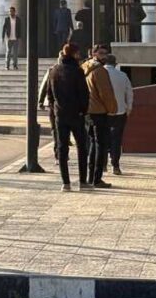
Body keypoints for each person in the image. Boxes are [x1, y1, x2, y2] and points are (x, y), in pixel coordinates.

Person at [45, 44, 91, 191]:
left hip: (60, 115)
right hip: (76, 114)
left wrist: (56, 109)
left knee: (62, 147)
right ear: (74, 54)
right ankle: (83, 181)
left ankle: (66, 183)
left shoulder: (54, 71)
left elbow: (49, 94)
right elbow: (84, 94)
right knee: (81, 147)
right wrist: (83, 111)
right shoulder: (77, 71)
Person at [83, 44, 117, 189]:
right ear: (94, 54)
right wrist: (112, 109)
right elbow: (106, 93)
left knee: (92, 144)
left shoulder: (84, 68)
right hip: (99, 112)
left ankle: (90, 177)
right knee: (100, 145)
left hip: (88, 111)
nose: (105, 56)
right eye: (102, 53)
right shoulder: (100, 71)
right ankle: (96, 178)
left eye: (106, 53)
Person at [104, 55, 134, 176]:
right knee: (116, 139)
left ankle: (102, 164)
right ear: (116, 64)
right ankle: (115, 165)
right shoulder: (122, 75)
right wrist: (129, 107)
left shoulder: (98, 74)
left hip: (103, 112)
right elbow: (129, 92)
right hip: (120, 111)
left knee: (102, 139)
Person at [1, 6, 23, 70]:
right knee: (8, 52)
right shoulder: (7, 19)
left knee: (15, 53)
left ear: (14, 12)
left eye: (12, 11)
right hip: (9, 38)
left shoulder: (18, 19)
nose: (10, 12)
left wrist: (19, 37)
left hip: (16, 38)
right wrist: (2, 37)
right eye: (9, 11)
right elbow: (4, 28)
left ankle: (15, 65)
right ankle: (7, 66)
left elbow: (20, 29)